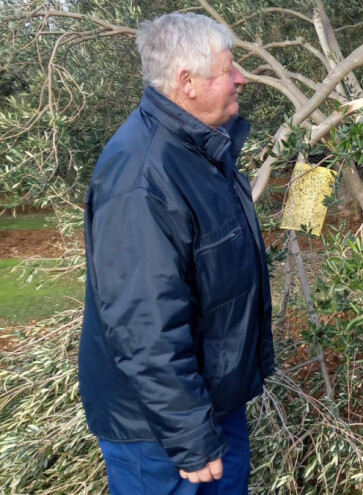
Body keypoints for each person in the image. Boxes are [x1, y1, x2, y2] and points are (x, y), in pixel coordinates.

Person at [79, 12, 274, 494]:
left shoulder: (200, 152)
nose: (239, 78)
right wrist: (190, 437)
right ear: (187, 82)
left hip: (209, 406)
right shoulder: (142, 177)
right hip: (160, 434)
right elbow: (144, 324)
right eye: (228, 70)